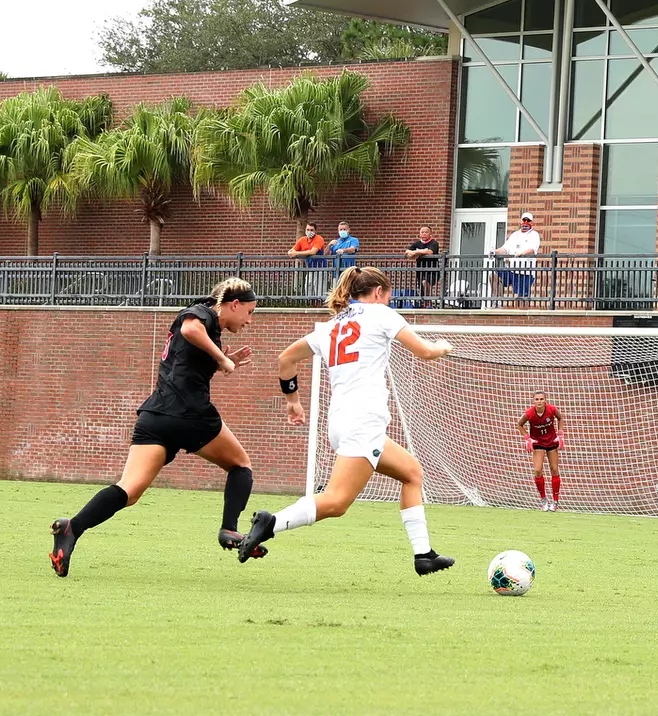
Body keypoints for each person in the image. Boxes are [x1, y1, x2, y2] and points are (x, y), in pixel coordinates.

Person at [236, 266, 456, 575]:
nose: (389, 302)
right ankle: (271, 523)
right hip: (363, 420)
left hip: (341, 420)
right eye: (388, 296)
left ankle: (424, 555)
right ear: (378, 292)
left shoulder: (331, 326)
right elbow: (425, 352)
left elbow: (286, 358)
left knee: (411, 472)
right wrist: (442, 347)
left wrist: (293, 402)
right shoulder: (380, 314)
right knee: (337, 502)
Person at [48, 280, 260, 577]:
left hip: (156, 415)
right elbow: (190, 329)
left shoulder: (205, 320)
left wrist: (220, 361)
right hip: (190, 414)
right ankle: (229, 529)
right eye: (249, 312)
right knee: (240, 465)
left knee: (129, 490)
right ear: (233, 304)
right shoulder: (204, 314)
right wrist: (222, 357)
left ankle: (73, 528)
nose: (249, 320)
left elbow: (185, 363)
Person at [516, 391, 564, 511]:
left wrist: (560, 434)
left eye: (541, 399)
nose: (539, 401)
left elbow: (560, 418)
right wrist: (527, 438)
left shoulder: (552, 409)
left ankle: (555, 501)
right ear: (533, 401)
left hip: (551, 441)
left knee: (554, 469)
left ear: (545, 400)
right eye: (537, 399)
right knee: (537, 470)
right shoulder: (529, 413)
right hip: (538, 443)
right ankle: (543, 499)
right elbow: (519, 425)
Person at [492, 212, 541, 302]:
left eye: (528, 220)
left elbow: (533, 250)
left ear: (532, 222)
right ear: (521, 221)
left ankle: (523, 310)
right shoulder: (514, 235)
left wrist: (522, 253)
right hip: (512, 270)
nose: (526, 222)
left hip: (526, 272)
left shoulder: (534, 235)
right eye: (524, 220)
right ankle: (497, 300)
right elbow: (505, 249)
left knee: (522, 298)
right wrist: (494, 252)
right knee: (494, 276)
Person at [288, 222, 331, 300]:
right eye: (307, 230)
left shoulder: (319, 239)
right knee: (308, 292)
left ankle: (320, 306)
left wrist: (296, 253)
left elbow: (313, 252)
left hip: (321, 269)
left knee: (320, 294)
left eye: (311, 230)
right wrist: (291, 252)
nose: (309, 232)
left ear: (315, 231)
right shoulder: (302, 239)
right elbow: (291, 251)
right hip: (310, 269)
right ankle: (311, 305)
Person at [405, 226, 441, 299]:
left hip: (432, 270)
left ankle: (427, 300)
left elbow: (430, 252)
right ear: (420, 234)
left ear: (430, 233)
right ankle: (424, 301)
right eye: (422, 232)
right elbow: (407, 252)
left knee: (425, 282)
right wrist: (413, 253)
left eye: (426, 232)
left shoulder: (434, 243)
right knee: (421, 288)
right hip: (420, 269)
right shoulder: (417, 243)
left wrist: (416, 252)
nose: (424, 234)